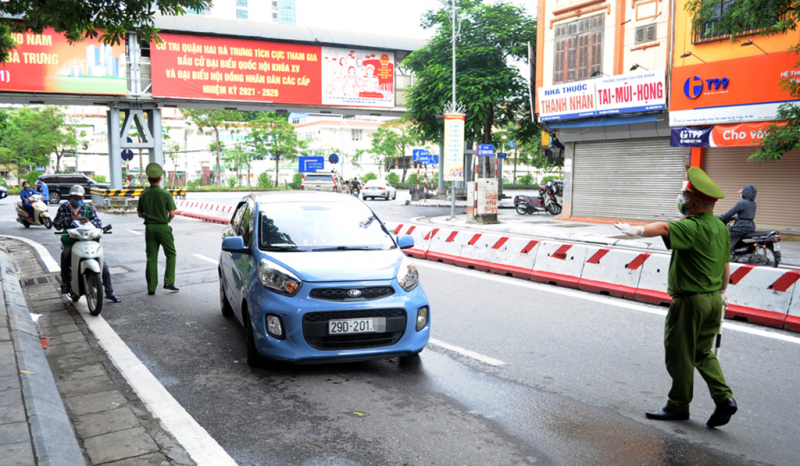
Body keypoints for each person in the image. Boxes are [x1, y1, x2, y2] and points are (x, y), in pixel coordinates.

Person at [615, 167, 737, 428]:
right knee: (703, 352)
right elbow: (726, 265)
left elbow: (664, 228)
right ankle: (724, 398)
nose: (681, 199)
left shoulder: (692, 226)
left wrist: (636, 230)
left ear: (693, 202)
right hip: (715, 299)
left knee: (679, 354)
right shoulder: (721, 227)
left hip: (690, 302)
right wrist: (724, 292)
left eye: (684, 195)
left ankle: (678, 406)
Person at [53, 185, 121, 303]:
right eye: (76, 198)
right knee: (66, 254)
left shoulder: (88, 208)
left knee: (103, 265)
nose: (78, 200)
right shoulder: (64, 208)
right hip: (72, 241)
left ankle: (109, 292)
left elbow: (98, 222)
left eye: (80, 198)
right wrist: (69, 220)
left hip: (88, 241)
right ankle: (65, 282)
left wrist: (89, 221)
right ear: (71, 197)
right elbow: (57, 224)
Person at [138, 163, 178, 296]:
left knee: (151, 257)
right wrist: (167, 220)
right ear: (160, 178)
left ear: (148, 179)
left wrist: (148, 216)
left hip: (149, 228)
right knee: (171, 254)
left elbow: (140, 214)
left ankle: (151, 288)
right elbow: (172, 213)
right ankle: (169, 281)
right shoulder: (166, 194)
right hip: (163, 227)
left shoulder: (144, 194)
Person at [718, 184, 757, 253]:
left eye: (742, 192)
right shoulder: (753, 203)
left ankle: (726, 254)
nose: (741, 194)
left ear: (746, 193)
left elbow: (730, 213)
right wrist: (735, 218)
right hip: (751, 226)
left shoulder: (742, 203)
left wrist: (720, 217)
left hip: (741, 226)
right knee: (736, 237)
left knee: (726, 234)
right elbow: (746, 214)